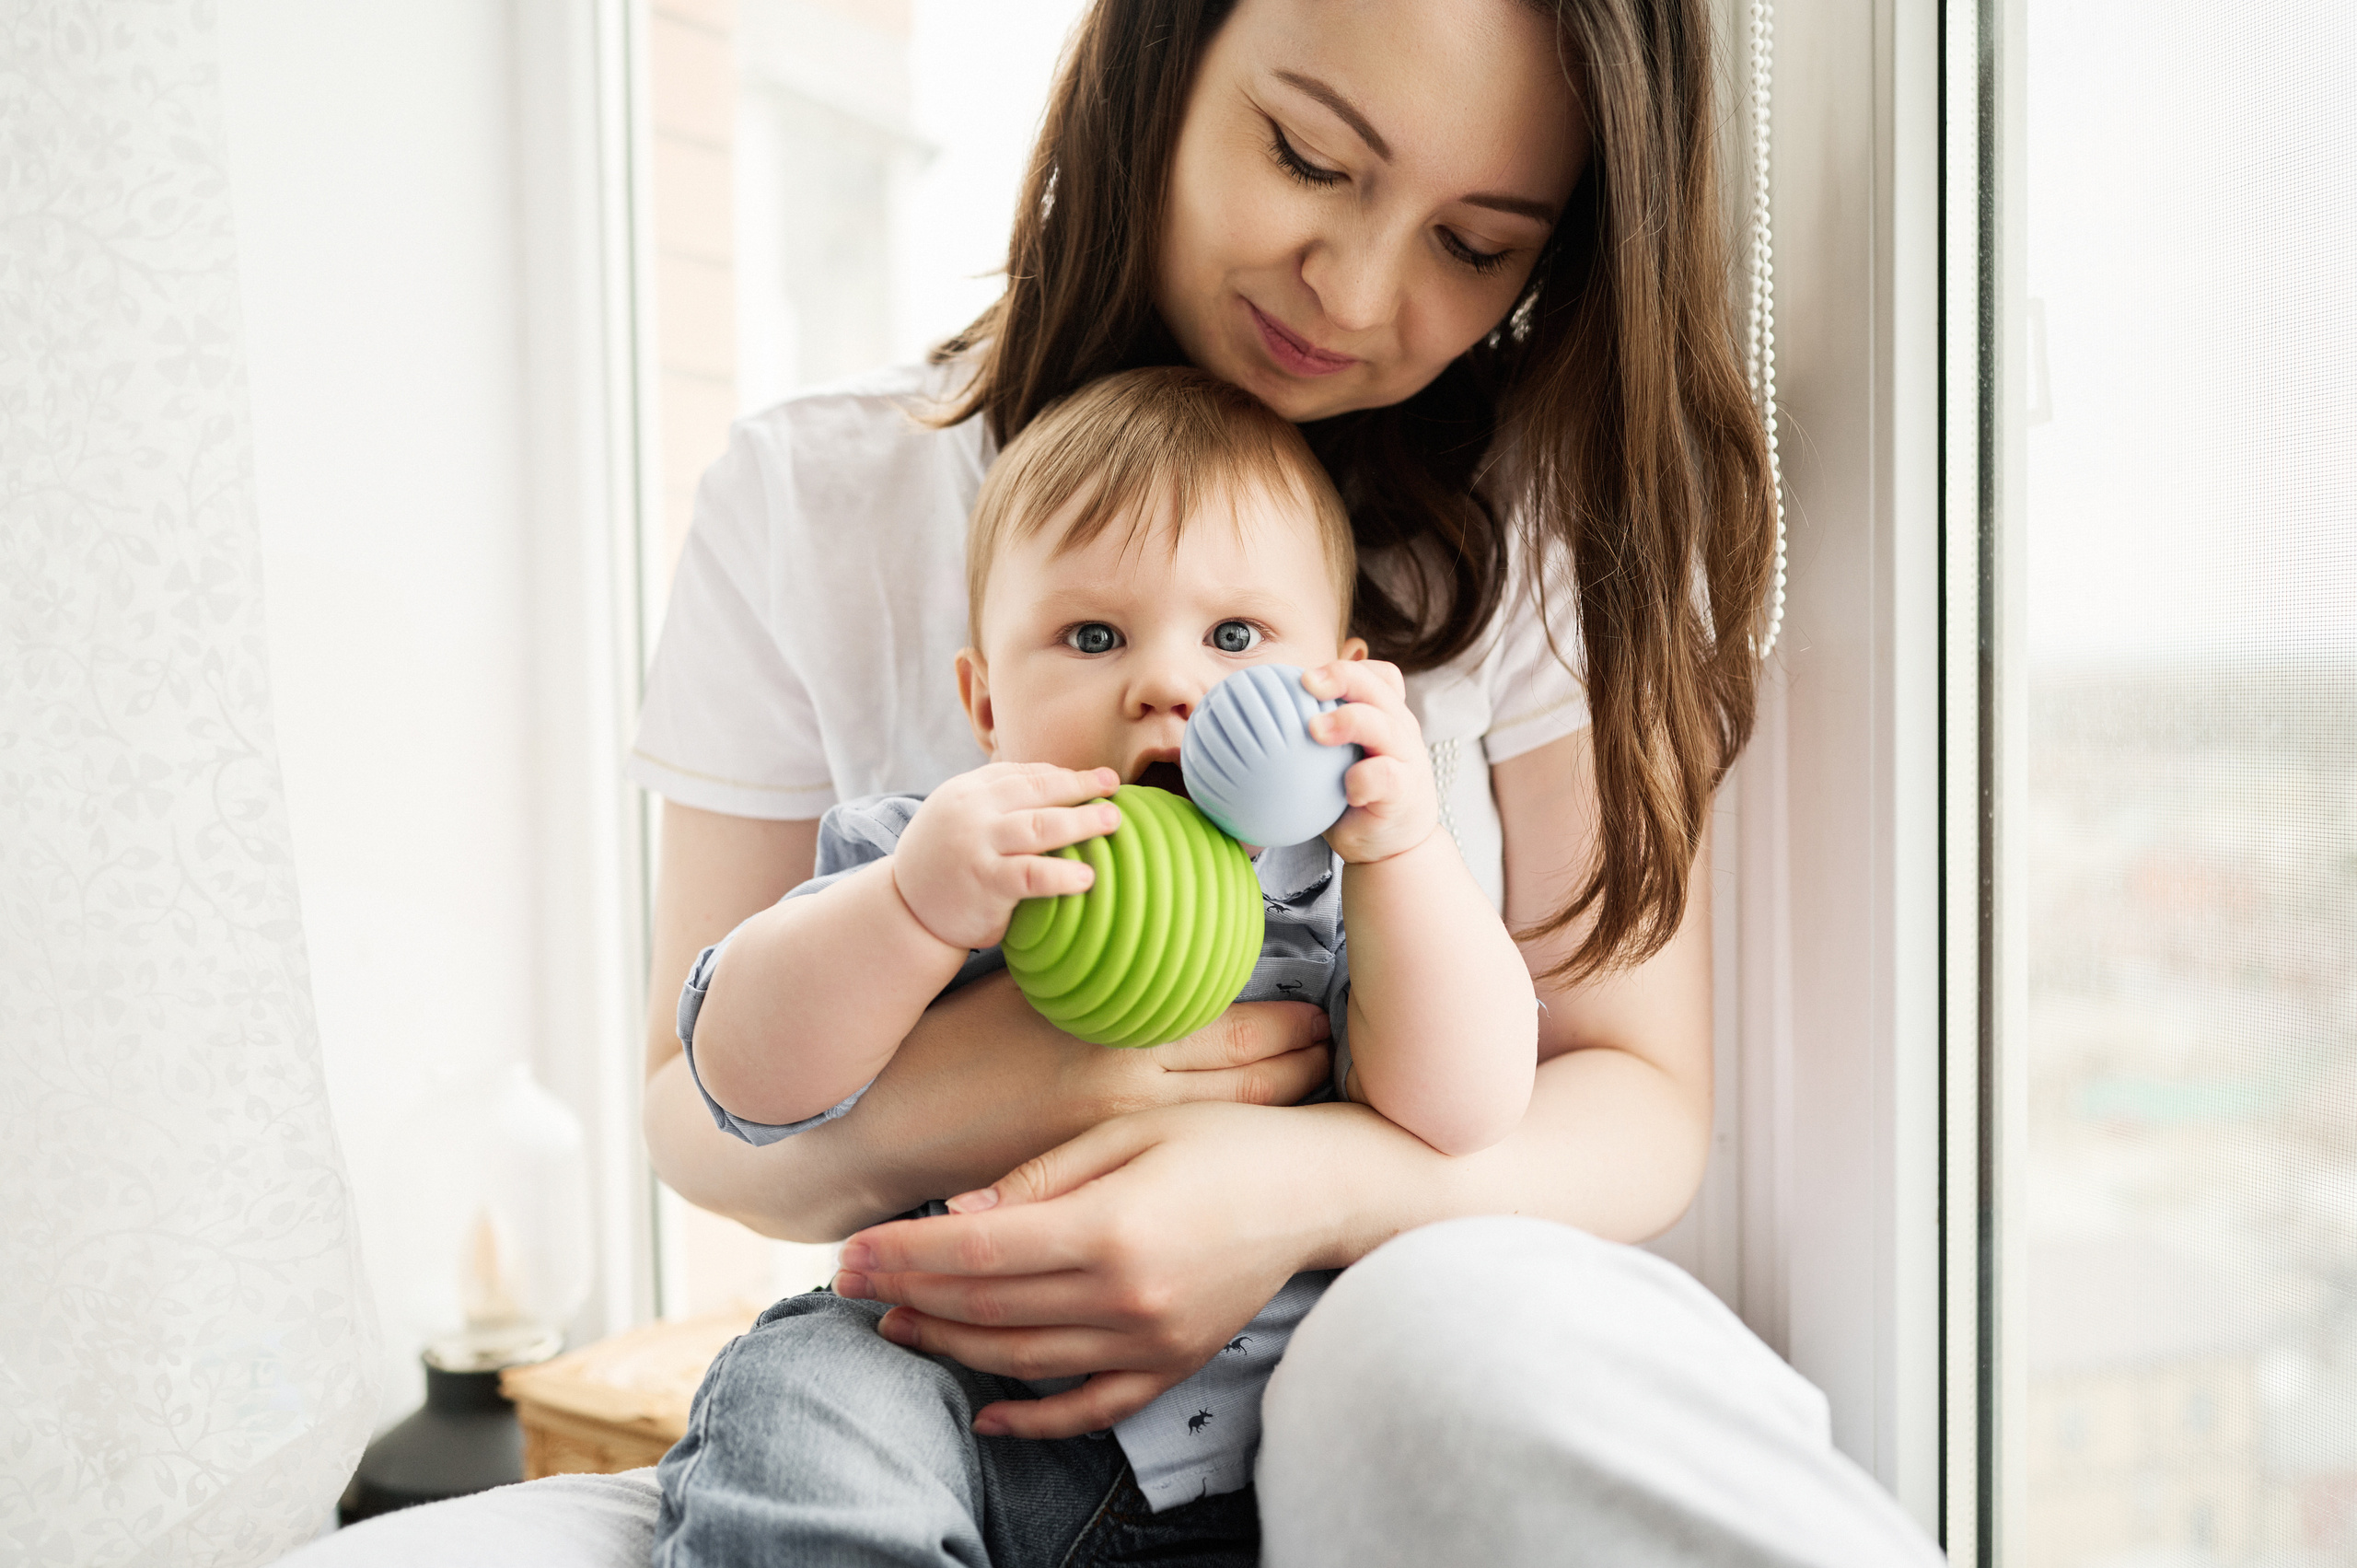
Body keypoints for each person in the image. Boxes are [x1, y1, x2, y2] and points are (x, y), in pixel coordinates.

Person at [287, 0, 1948, 1562]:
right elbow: (708, 1089)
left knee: (1449, 1347)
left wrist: (1292, 1170)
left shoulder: (1496, 596)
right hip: (939, 1353)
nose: (1360, 292)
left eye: (1473, 244)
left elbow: (1591, 1089)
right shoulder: (836, 545)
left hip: (1342, 1330)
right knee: (781, 1411)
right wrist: (1025, 1043)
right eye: (1309, 157)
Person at [655, 366, 1540, 1560]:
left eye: (1236, 636)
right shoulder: (935, 858)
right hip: (956, 1391)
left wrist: (1407, 843)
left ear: (1336, 676)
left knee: (1473, 1376)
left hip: (1278, 1427)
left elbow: (1464, 1105)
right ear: (983, 703)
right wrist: (916, 910)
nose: (1169, 683)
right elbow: (743, 1075)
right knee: (805, 1389)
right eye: (1091, 636)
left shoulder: (1343, 885)